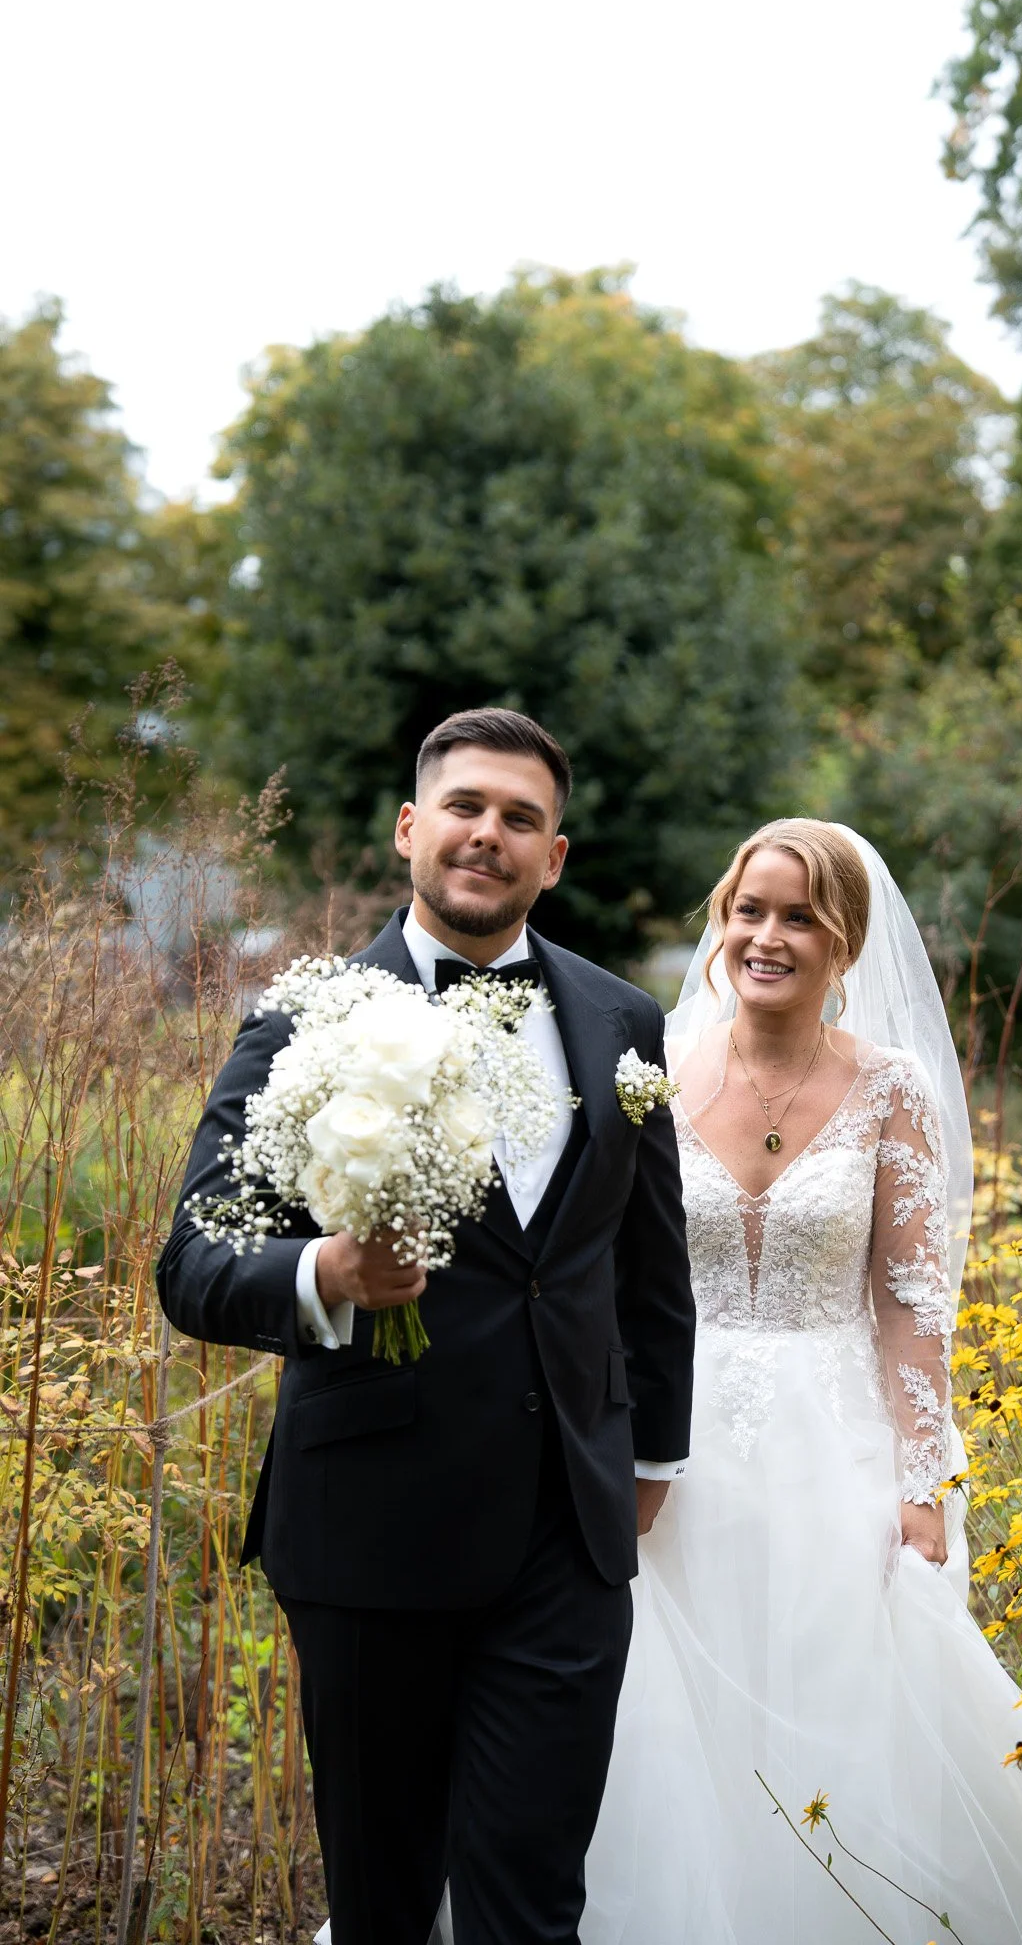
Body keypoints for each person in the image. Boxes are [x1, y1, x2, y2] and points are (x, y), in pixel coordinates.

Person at [156, 708, 695, 1945]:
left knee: (529, 1898)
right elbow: (193, 1263)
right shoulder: (306, 1019)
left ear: (554, 857)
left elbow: (650, 1267)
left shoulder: (622, 1023)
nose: (487, 835)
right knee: (386, 1899)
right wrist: (327, 1270)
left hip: (566, 1534)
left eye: (521, 818)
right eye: (465, 807)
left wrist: (648, 1456)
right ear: (411, 827)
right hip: (370, 1534)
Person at [582, 819, 1022, 1945]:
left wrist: (923, 1480)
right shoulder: (655, 1066)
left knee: (840, 1703)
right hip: (669, 1449)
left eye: (797, 916)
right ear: (720, 921)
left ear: (845, 940)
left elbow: (913, 1300)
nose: (765, 936)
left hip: (832, 1445)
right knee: (656, 1715)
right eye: (748, 909)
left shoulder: (892, 1087)